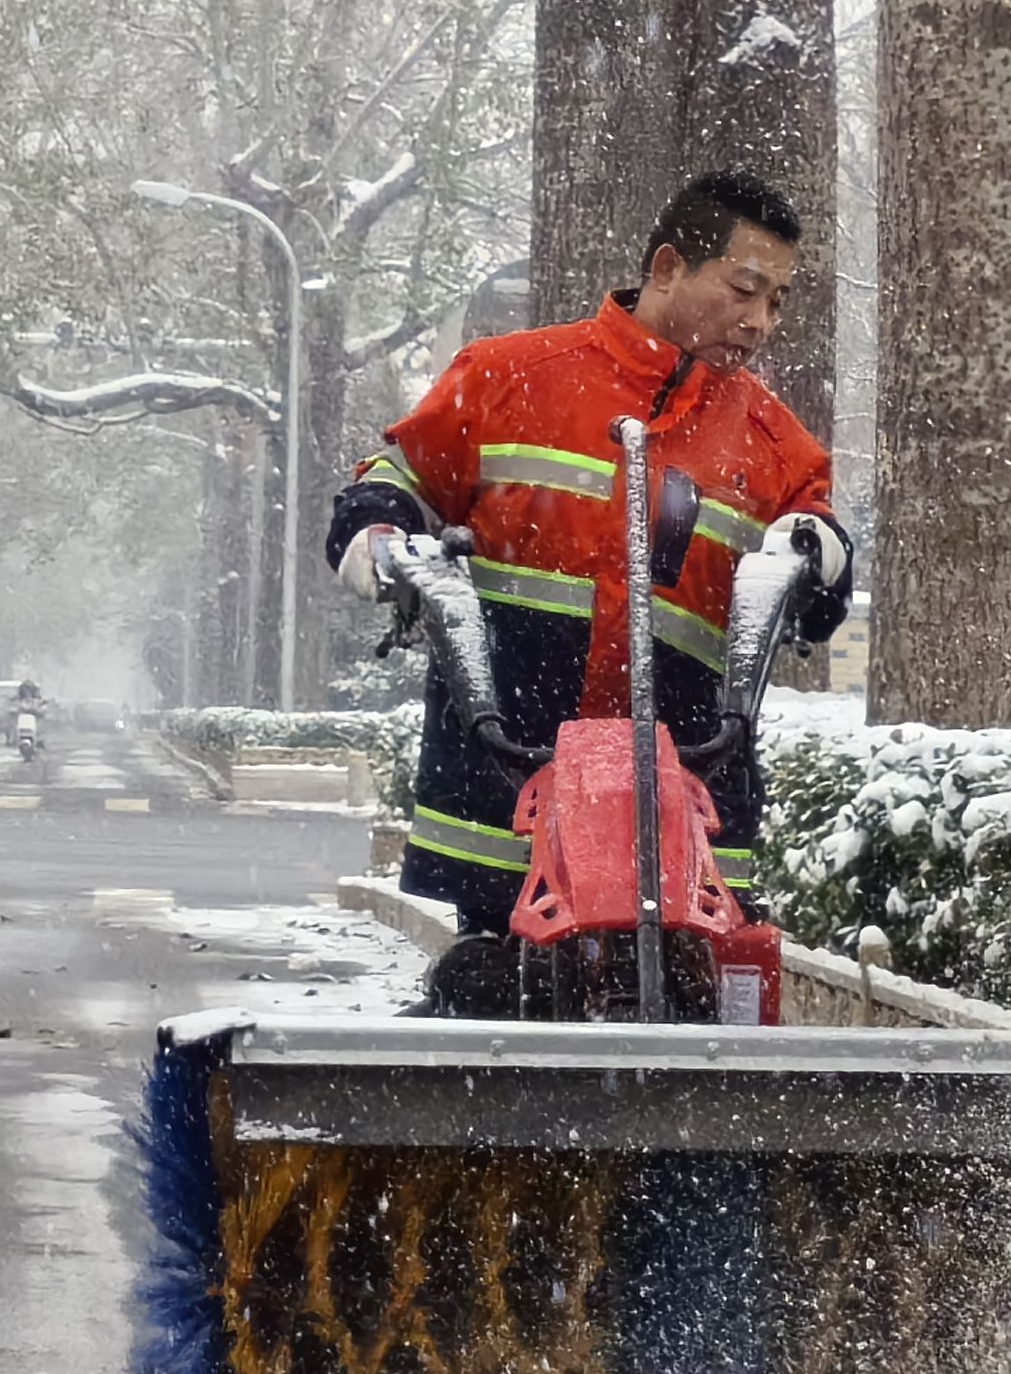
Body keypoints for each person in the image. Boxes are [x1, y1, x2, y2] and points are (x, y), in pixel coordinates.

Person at [325, 171, 855, 936]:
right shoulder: (507, 380)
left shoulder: (777, 449)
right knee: (493, 1020)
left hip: (689, 827)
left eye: (777, 300)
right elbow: (395, 482)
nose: (762, 320)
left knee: (697, 1028)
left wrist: (818, 552)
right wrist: (380, 541)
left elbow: (822, 580)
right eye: (744, 289)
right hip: (504, 797)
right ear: (668, 268)